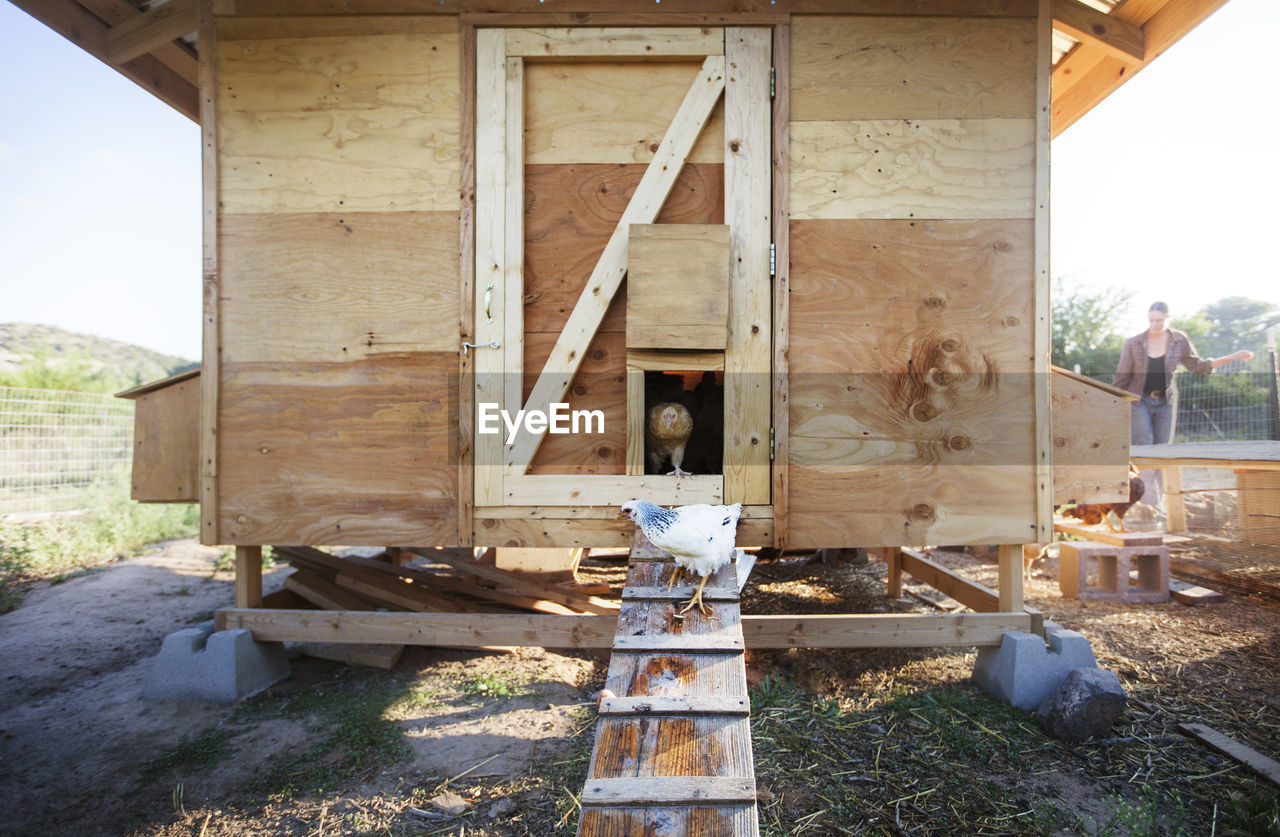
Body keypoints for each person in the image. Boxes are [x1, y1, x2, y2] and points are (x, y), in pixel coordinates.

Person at [1114, 301, 1254, 446]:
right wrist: (1112, 402)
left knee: (1163, 448)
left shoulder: (1179, 340)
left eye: (1159, 320)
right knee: (1141, 445)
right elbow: (1122, 377)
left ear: (1168, 318)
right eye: (1151, 320)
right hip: (1139, 401)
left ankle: (1159, 470)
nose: (1155, 324)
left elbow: (1198, 367)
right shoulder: (1133, 343)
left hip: (1166, 401)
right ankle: (1143, 470)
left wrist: (1232, 356)